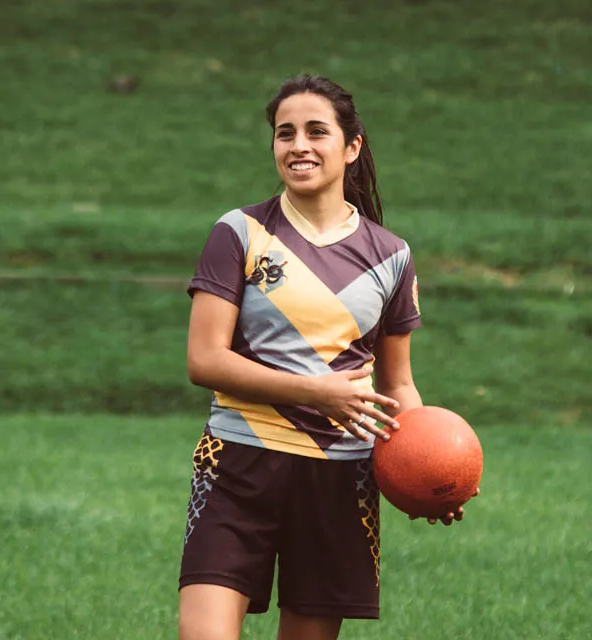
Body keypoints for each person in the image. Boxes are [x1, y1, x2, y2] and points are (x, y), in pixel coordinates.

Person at [178, 74, 469, 640]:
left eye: (317, 131)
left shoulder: (391, 256)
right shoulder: (237, 233)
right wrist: (318, 391)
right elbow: (205, 360)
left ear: (351, 146)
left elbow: (399, 386)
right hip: (237, 463)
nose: (299, 146)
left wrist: (432, 471)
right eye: (285, 134)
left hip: (340, 479)